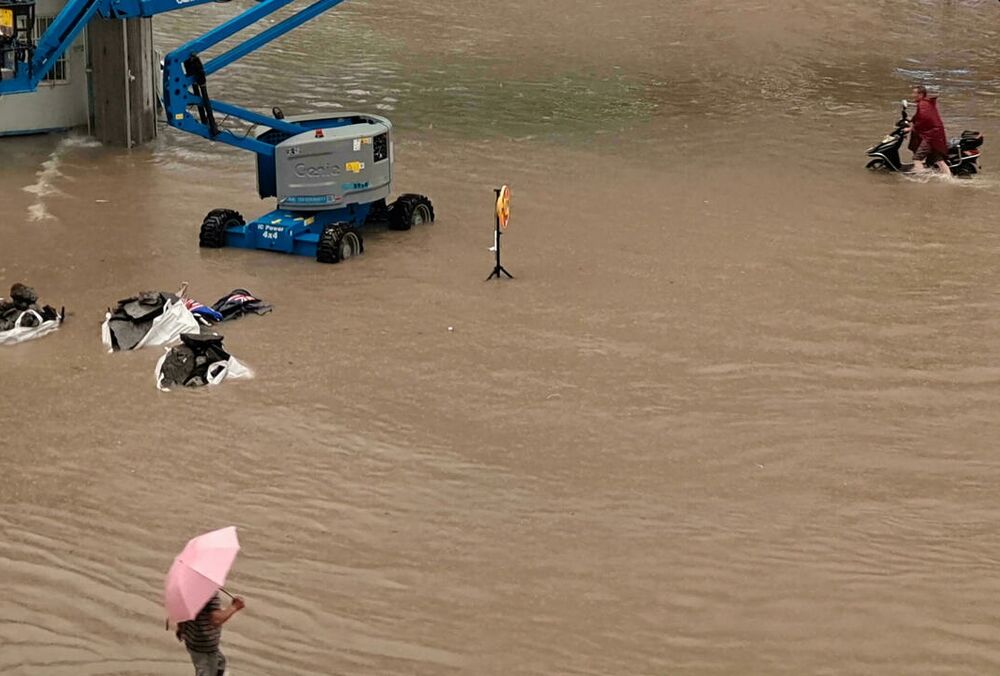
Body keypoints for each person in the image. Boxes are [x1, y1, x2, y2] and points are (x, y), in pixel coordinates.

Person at [176, 593, 245, 676]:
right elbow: (216, 620)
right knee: (207, 669)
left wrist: (181, 628)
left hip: (192, 639)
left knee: (220, 662)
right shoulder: (210, 593)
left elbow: (180, 610)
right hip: (205, 645)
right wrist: (234, 606)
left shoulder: (186, 590)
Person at [905, 85, 950, 174]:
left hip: (930, 136)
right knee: (938, 159)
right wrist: (911, 120)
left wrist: (911, 128)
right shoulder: (926, 103)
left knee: (917, 158)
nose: (912, 95)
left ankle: (921, 179)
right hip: (936, 135)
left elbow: (923, 120)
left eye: (914, 93)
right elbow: (920, 117)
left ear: (921, 94)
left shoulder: (923, 104)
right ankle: (949, 179)